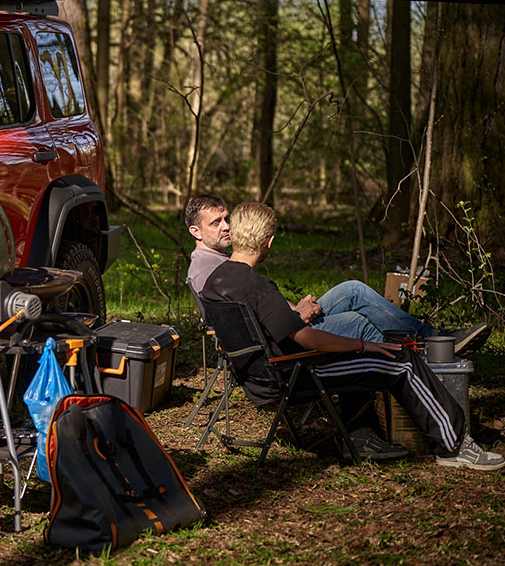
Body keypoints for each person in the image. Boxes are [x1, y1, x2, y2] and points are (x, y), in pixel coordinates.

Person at [201, 201, 503, 470]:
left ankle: (361, 436)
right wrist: (362, 345)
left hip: (260, 377)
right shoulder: (258, 287)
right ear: (268, 241)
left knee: (370, 349)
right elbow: (311, 340)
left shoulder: (216, 281)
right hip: (294, 374)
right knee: (402, 362)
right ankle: (455, 446)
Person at [184, 194, 490, 356]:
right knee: (359, 321)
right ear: (196, 232)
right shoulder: (206, 272)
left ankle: (430, 337)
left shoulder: (225, 265)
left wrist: (292, 308)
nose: (226, 227)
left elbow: (257, 304)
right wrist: (295, 314)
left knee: (353, 290)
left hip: (282, 325)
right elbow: (244, 320)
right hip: (282, 340)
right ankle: (425, 356)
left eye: (226, 219)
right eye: (216, 223)